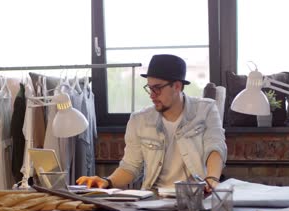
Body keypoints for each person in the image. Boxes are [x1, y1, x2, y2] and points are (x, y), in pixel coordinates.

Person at [76, 54, 227, 192]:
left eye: (158, 88)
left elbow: (215, 147)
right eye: (150, 88)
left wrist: (212, 179)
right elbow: (131, 166)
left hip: (195, 195)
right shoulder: (139, 120)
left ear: (177, 86)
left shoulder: (206, 109)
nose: (152, 95)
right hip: (153, 198)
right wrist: (107, 181)